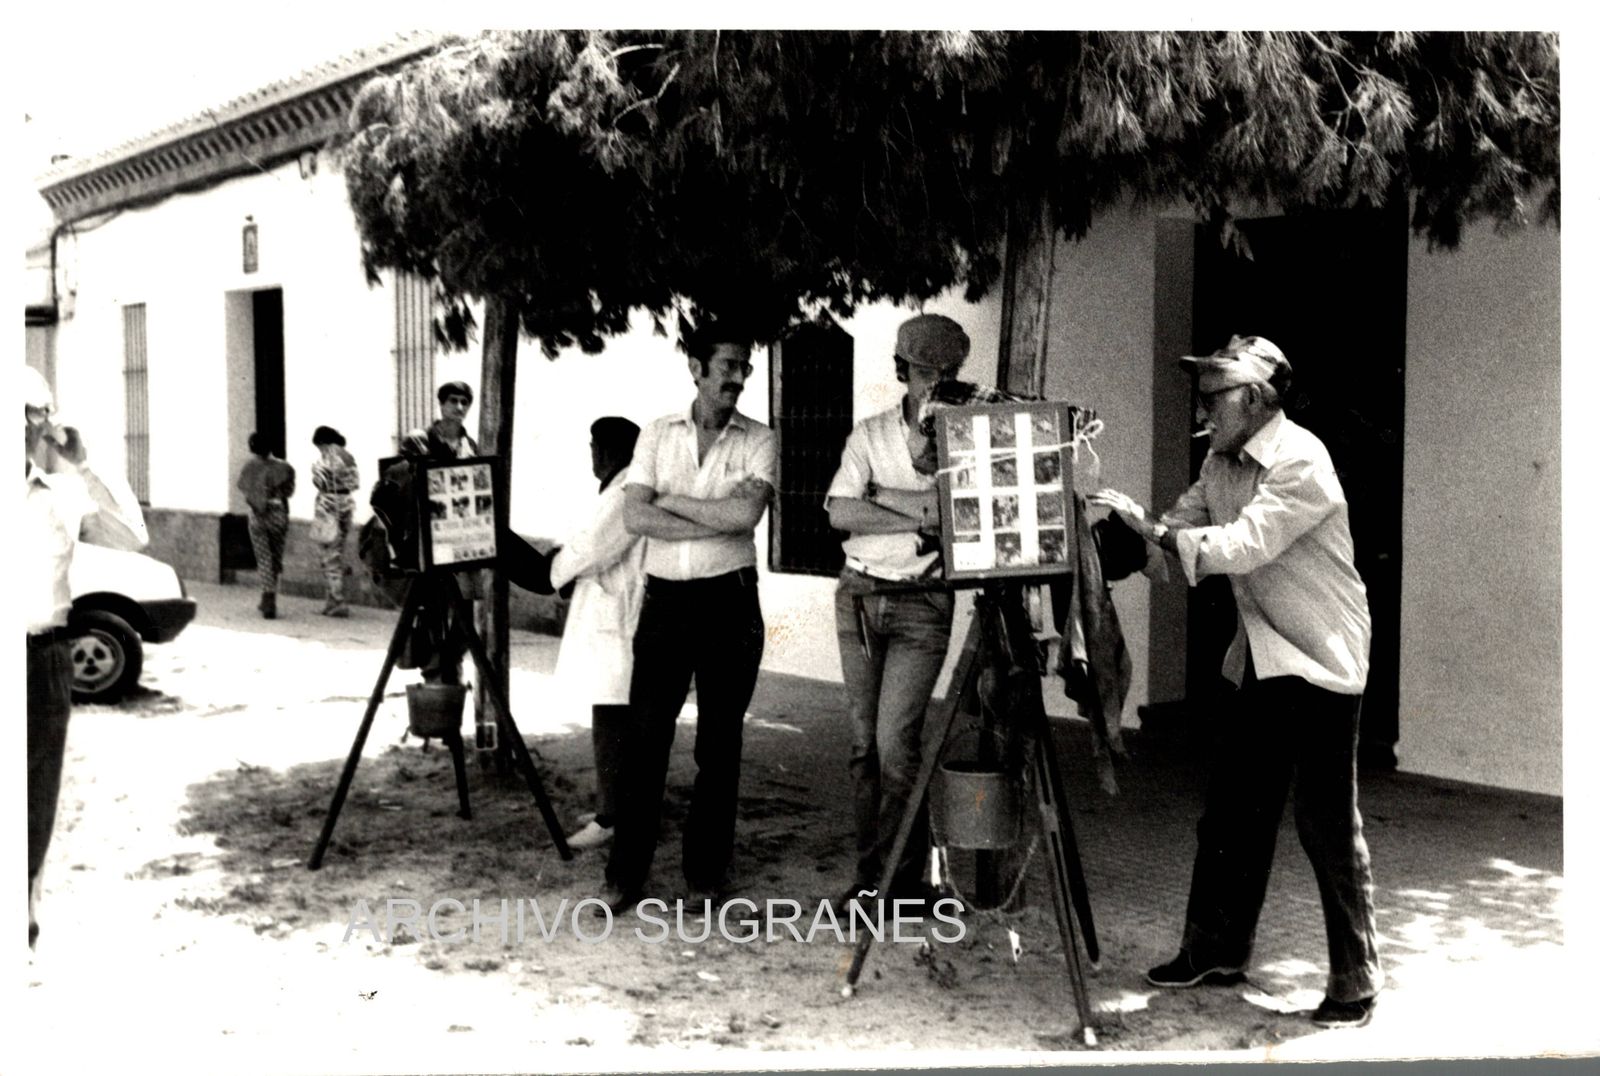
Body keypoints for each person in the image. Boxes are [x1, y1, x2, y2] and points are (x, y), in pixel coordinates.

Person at [1087, 334, 1381, 1030]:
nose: (1203, 403)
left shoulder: (1301, 460)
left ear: (1254, 397)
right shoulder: (1218, 460)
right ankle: (1215, 951)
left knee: (1326, 825)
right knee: (1230, 813)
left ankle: (1356, 979)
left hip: (1318, 659)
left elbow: (1244, 544)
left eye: (1214, 391)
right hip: (1258, 656)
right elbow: (1177, 531)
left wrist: (1155, 536)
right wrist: (1117, 542)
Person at [598, 327, 777, 911]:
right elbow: (635, 517)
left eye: (745, 366)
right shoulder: (656, 433)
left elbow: (747, 513)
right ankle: (625, 874)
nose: (739, 376)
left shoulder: (759, 439)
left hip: (731, 602)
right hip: (667, 602)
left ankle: (704, 875)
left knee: (719, 746)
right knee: (646, 740)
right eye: (728, 364)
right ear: (697, 367)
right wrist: (714, 518)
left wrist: (670, 501)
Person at [825, 313, 969, 909]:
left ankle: (903, 882)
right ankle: (871, 880)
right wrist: (920, 513)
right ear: (902, 371)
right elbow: (839, 513)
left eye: (946, 374)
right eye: (923, 372)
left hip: (921, 604)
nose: (933, 385)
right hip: (859, 594)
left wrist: (882, 497)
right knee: (864, 747)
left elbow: (960, 515)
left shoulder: (965, 440)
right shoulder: (871, 433)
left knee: (896, 744)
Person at [24, 365, 148, 948]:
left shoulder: (63, 494)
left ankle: (22, 912)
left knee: (36, 795)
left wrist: (86, 464)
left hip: (45, 659)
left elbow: (131, 535)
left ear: (47, 423)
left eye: (33, 412)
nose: (23, 424)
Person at [549, 417, 646, 851]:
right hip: (611, 619)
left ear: (609, 450)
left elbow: (589, 548)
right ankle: (615, 808)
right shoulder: (618, 488)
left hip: (621, 624)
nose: (591, 453)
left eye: (594, 445)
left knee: (612, 724)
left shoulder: (626, 491)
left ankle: (611, 819)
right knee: (611, 721)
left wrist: (554, 570)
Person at [236, 433, 296, 619]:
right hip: (278, 513)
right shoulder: (284, 467)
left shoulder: (250, 467)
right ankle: (271, 593)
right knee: (276, 557)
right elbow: (289, 491)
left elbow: (243, 487)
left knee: (263, 557)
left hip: (258, 515)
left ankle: (268, 596)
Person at [310, 425, 360, 618]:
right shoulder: (349, 457)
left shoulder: (326, 457)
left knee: (329, 555)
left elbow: (319, 481)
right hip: (347, 504)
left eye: (318, 446)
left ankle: (337, 601)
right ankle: (331, 601)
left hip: (328, 506)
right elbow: (356, 483)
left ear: (322, 442)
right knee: (338, 551)